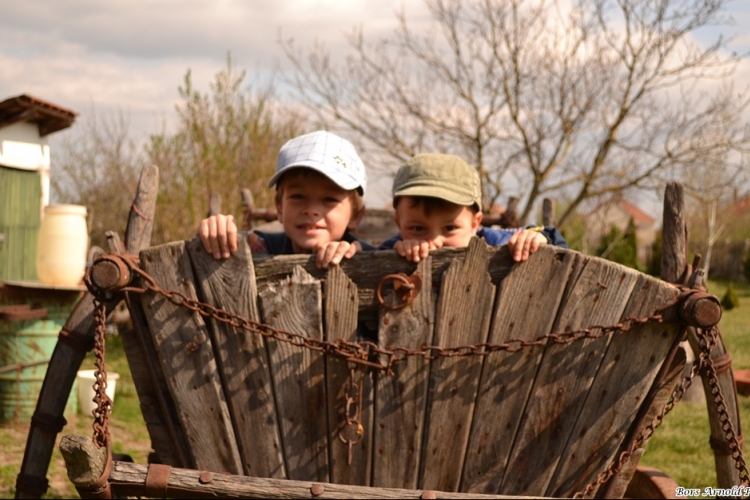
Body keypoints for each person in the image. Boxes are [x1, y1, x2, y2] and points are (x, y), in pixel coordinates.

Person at [198, 130, 374, 268]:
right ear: (280, 208)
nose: (311, 210)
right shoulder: (258, 248)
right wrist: (217, 234)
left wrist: (360, 260)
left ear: (355, 216)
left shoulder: (371, 258)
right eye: (298, 196)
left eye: (329, 199)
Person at [379, 153, 568, 262]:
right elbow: (365, 257)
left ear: (475, 224)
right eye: (417, 229)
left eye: (450, 228)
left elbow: (557, 243)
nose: (434, 241)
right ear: (399, 222)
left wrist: (535, 238)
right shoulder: (396, 249)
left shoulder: (493, 242)